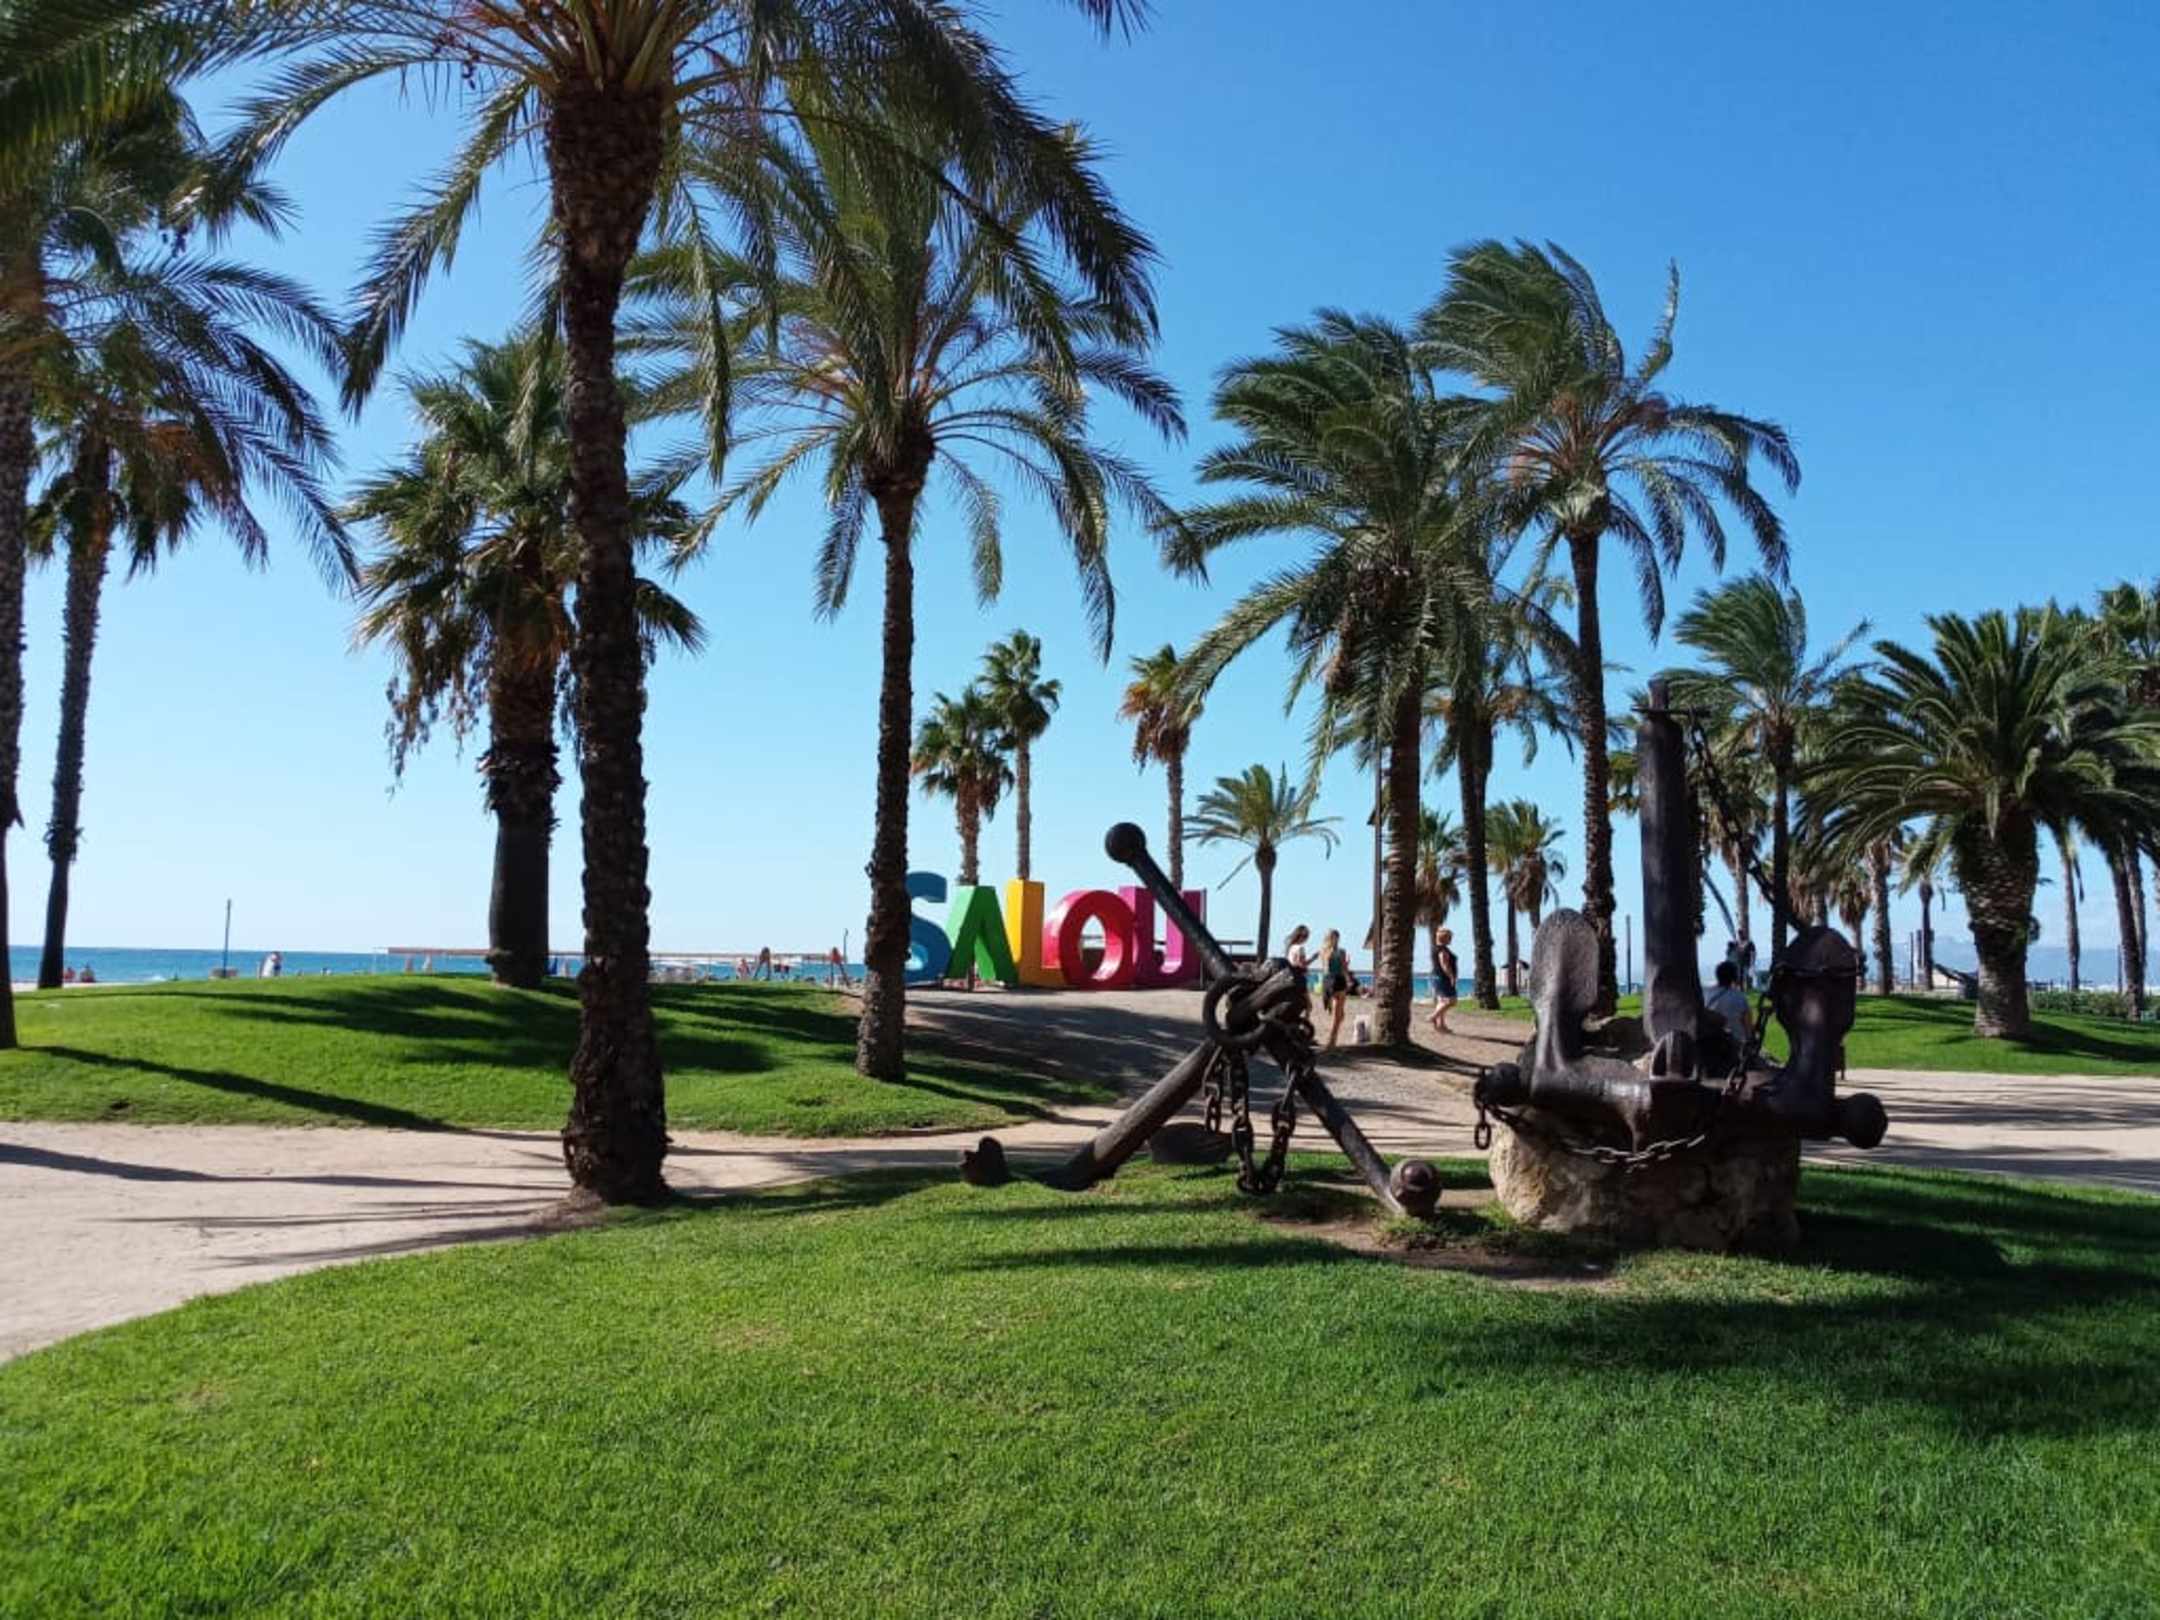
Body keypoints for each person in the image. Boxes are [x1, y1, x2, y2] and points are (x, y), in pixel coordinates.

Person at [1706, 959, 1752, 1048]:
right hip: (1735, 1044)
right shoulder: (1740, 997)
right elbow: (1748, 1025)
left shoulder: (1706, 993)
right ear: (1734, 977)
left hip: (1711, 1043)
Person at [1319, 929, 1351, 1050]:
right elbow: (1342, 968)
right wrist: (1349, 978)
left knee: (1338, 1014)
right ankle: (1332, 1040)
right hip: (1335, 980)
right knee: (1338, 1015)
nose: (1336, 939)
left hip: (1329, 980)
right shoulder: (1339, 951)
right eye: (1336, 937)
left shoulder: (1324, 951)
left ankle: (1332, 1039)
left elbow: (1326, 968)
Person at [1429, 928, 1460, 1036]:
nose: (1451, 939)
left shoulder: (1436, 948)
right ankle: (1433, 1017)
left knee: (1441, 1001)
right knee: (1451, 1001)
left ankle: (1441, 1025)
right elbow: (1444, 964)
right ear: (1445, 938)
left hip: (1437, 977)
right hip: (1443, 978)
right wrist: (1452, 977)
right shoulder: (1442, 950)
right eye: (1449, 937)